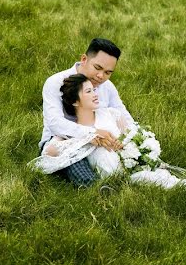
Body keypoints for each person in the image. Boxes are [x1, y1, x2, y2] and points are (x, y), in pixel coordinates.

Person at [34, 74, 186, 209]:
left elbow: (135, 136)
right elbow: (49, 152)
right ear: (74, 101)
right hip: (116, 180)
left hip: (134, 170)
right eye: (89, 91)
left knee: (173, 183)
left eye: (95, 89)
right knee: (166, 186)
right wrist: (89, 138)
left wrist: (141, 151)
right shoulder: (70, 132)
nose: (96, 93)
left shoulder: (110, 115)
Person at [40, 38, 132, 187]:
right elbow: (55, 123)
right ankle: (96, 187)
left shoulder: (107, 86)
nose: (101, 76)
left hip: (102, 142)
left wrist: (137, 140)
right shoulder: (56, 82)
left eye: (108, 72)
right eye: (97, 67)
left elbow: (123, 113)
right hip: (62, 141)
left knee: (124, 158)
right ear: (84, 59)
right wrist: (91, 133)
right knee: (74, 157)